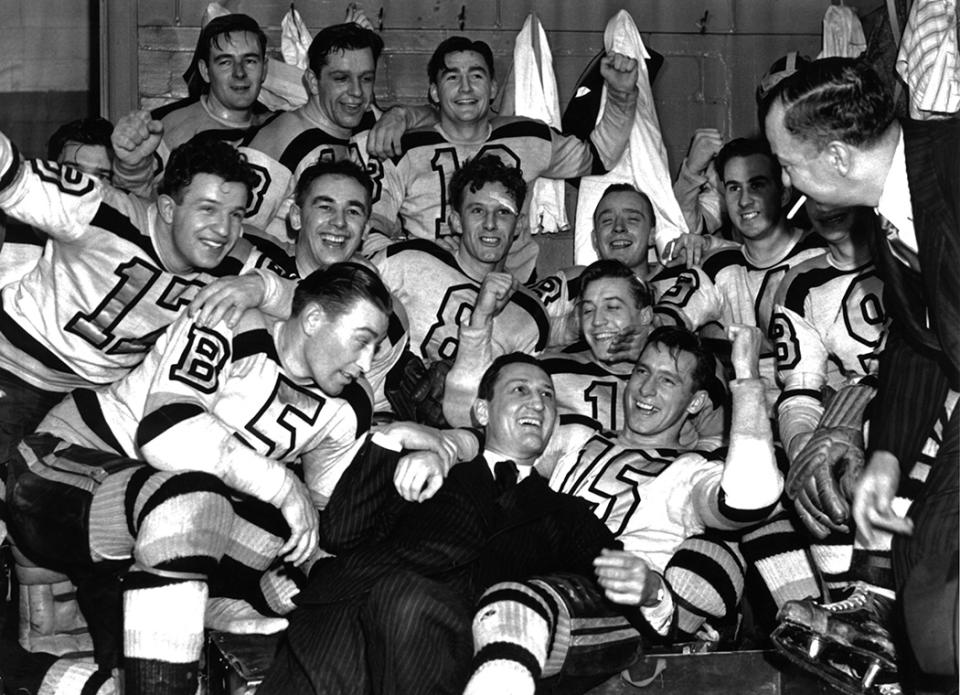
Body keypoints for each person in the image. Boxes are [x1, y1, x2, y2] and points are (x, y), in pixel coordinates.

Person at [3, 263, 399, 694]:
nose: (366, 363)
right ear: (314, 319)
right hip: (65, 468)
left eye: (376, 347)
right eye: (362, 341)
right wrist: (285, 485)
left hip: (159, 530)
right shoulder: (230, 320)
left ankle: (179, 635)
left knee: (299, 539)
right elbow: (165, 434)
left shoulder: (346, 409)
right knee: (198, 499)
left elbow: (323, 527)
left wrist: (439, 443)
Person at [258, 352, 632, 694]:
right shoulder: (428, 462)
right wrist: (391, 439)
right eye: (520, 389)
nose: (537, 402)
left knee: (404, 598)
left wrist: (652, 592)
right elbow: (342, 533)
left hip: (457, 647)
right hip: (345, 617)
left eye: (548, 395)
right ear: (482, 412)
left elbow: (621, 585)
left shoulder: (566, 512)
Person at [765, 56, 958, 693]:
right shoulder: (891, 207)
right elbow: (920, 342)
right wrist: (887, 457)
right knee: (928, 576)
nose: (785, 184)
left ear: (838, 158)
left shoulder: (952, 168)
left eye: (788, 165)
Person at [463, 325, 783, 694]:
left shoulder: (694, 471)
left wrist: (747, 379)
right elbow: (498, 436)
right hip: (529, 576)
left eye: (668, 381)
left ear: (694, 402)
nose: (646, 390)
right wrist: (445, 445)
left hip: (618, 607)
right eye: (642, 372)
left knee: (517, 602)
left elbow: (750, 498)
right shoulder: (581, 438)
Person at [0, 125, 284, 476]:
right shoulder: (100, 208)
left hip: (95, 402)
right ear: (166, 208)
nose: (223, 229)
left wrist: (262, 287)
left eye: (236, 214)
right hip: (13, 370)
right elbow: (14, 176)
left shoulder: (234, 261)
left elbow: (316, 299)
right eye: (207, 209)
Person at [364, 36, 640, 281]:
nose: (465, 88)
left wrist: (621, 95)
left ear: (493, 87)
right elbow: (372, 227)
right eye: (452, 78)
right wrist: (420, 255)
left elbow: (598, 157)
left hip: (513, 290)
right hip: (428, 291)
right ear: (434, 91)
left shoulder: (527, 137)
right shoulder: (403, 149)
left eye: (476, 76)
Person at [187, 158, 411, 417]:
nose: (339, 222)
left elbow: (353, 411)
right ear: (296, 216)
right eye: (325, 207)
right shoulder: (244, 251)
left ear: (365, 231)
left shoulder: (385, 314)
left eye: (353, 211)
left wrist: (266, 290)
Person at [239, 21, 435, 244]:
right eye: (341, 78)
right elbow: (238, 228)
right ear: (313, 82)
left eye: (366, 79)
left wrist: (403, 115)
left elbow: (448, 116)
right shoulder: (282, 139)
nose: (356, 92)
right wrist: (290, 257)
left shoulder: (368, 118)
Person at [372, 154, 549, 369]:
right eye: (477, 211)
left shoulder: (531, 314)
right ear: (456, 221)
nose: (490, 224)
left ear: (519, 225)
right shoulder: (407, 260)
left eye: (503, 212)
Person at [528, 183, 715, 349]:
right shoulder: (573, 282)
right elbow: (511, 319)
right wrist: (569, 327)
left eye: (632, 219)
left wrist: (709, 246)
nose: (619, 227)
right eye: (607, 221)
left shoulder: (681, 277)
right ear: (594, 240)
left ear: (652, 235)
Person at [0, 117, 115, 288]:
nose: (87, 187)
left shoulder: (114, 255)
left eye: (102, 177)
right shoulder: (5, 242)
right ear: (50, 172)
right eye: (74, 172)